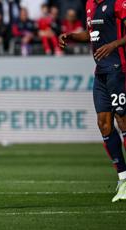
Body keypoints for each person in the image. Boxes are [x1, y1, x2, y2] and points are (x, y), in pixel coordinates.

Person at [58, 0, 126, 202]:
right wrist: (71, 36)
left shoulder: (118, 3)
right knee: (103, 124)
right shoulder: (89, 4)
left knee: (123, 121)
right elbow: (91, 34)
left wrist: (113, 44)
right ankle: (123, 177)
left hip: (119, 69)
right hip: (101, 73)